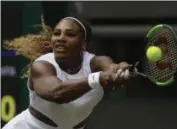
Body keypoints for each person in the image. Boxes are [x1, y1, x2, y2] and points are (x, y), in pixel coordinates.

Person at [3, 16, 135, 129]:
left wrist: (121, 69)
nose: (61, 38)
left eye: (70, 34)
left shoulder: (97, 62)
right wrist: (98, 78)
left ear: (83, 44)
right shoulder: (41, 65)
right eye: (57, 33)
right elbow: (58, 93)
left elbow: (112, 67)